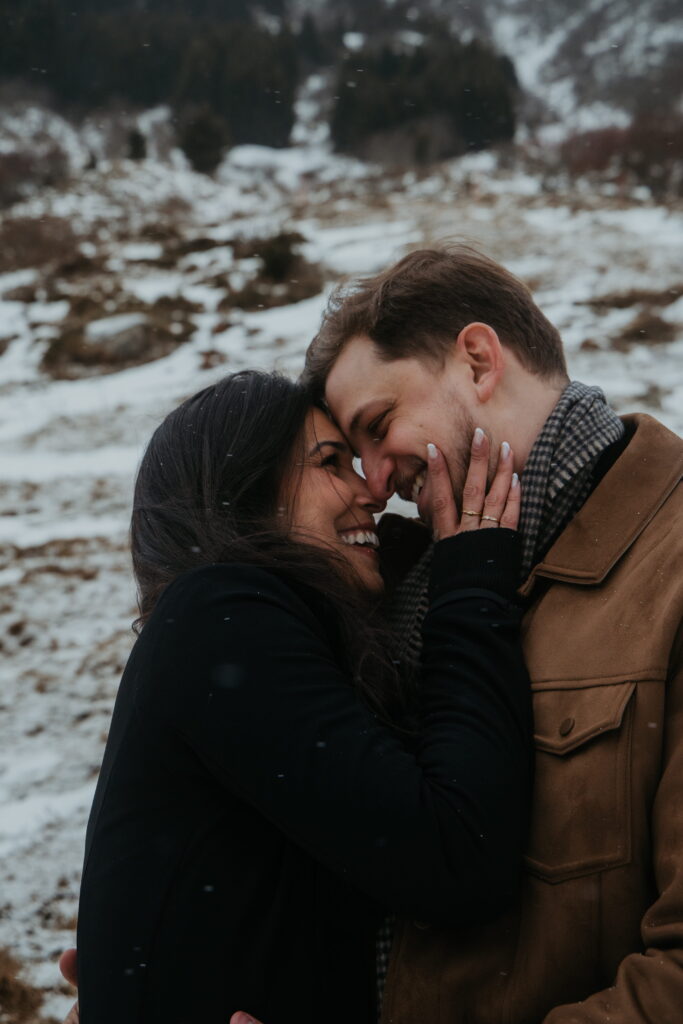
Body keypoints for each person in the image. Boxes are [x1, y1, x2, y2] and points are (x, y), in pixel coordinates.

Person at [293, 243, 683, 1023]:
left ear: (477, 361)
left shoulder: (670, 573)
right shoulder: (417, 594)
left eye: (378, 425)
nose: (373, 483)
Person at [70, 368, 532, 1024]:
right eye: (331, 463)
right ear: (245, 492)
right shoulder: (220, 615)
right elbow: (456, 856)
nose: (371, 490)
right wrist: (469, 582)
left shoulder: (242, 634)